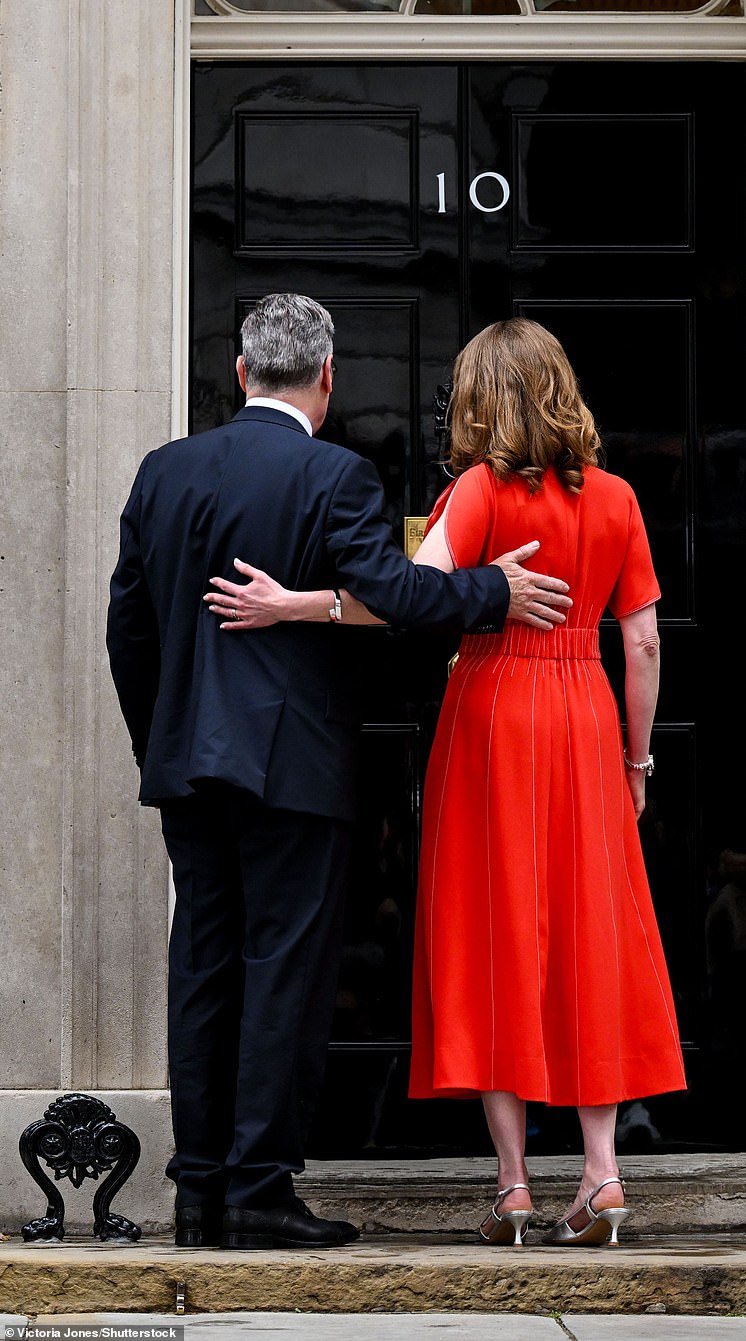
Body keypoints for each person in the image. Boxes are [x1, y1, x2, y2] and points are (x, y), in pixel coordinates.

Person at [204, 318, 686, 1248]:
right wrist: (637, 762)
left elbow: (397, 596)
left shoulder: (475, 491)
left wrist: (289, 604)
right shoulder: (620, 500)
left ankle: (512, 1186)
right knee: (592, 928)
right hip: (584, 711)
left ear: (481, 397)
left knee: (494, 927)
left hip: (491, 710)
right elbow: (646, 642)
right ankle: (602, 1173)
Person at [105, 296, 572, 1253]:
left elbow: (130, 626)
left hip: (189, 767)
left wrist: (161, 739)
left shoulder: (165, 471)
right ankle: (259, 1190)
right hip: (296, 771)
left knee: (202, 967)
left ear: (242, 374)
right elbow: (392, 594)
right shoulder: (334, 472)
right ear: (325, 379)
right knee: (284, 975)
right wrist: (495, 589)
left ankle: (198, 1194)